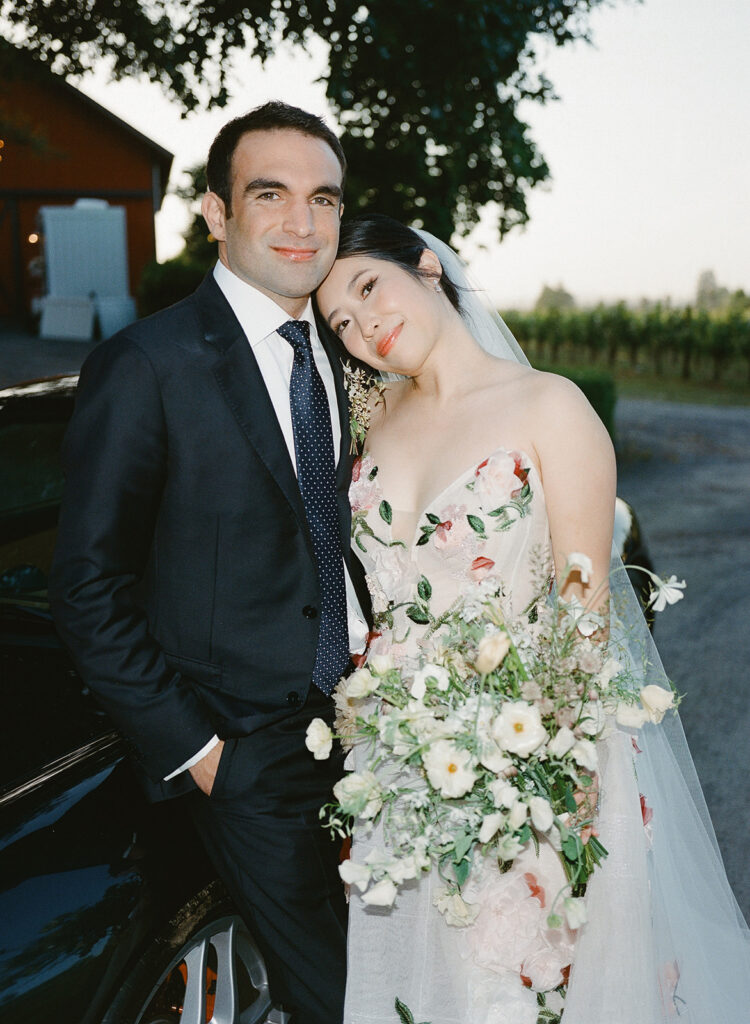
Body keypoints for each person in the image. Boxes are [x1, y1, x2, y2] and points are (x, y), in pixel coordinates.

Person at [314, 214, 750, 1023]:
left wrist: (566, 772)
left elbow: (585, 607)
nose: (363, 326)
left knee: (520, 984)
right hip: (401, 760)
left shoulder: (551, 406)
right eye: (340, 321)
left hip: (530, 748)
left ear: (427, 268)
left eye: (369, 289)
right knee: (418, 983)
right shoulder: (367, 423)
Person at [49, 102, 371, 1024]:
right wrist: (202, 753)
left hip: (375, 735)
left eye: (324, 199)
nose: (303, 224)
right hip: (244, 752)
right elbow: (88, 587)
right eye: (270, 194)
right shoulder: (145, 364)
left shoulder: (358, 353)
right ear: (217, 214)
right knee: (340, 999)